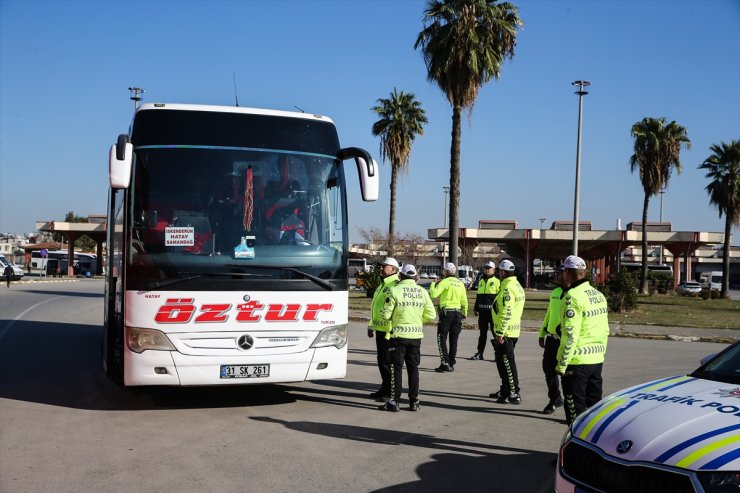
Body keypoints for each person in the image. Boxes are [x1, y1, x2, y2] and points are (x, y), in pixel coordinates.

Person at [556, 255, 610, 425]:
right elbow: (604, 329)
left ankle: (575, 449)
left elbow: (570, 335)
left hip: (577, 362)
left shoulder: (572, 297)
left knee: (575, 415)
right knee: (594, 410)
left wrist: (562, 364)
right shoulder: (598, 295)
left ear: (567, 273)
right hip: (596, 360)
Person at [378, 263, 436, 412]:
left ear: (401, 276)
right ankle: (414, 401)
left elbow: (385, 314)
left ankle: (394, 401)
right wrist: (417, 320)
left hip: (398, 335)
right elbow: (431, 315)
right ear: (414, 276)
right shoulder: (422, 291)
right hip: (416, 335)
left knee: (396, 368)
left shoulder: (394, 290)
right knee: (413, 368)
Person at [490, 259, 525, 404]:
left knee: (507, 363)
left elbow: (507, 311)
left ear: (503, 272)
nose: (498, 273)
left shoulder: (507, 288)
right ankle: (505, 390)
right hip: (512, 330)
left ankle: (513, 393)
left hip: (506, 333)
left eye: (499, 271)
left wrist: (500, 333)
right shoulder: (516, 285)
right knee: (503, 362)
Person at [367, 257, 400, 402]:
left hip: (390, 331)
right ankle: (384, 387)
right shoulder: (382, 284)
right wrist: (371, 325)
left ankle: (390, 391)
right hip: (380, 329)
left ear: (393, 269)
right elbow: (376, 307)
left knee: (388, 363)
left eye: (384, 266)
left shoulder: (395, 284)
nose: (381, 268)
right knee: (382, 361)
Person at [428, 262, 468, 372]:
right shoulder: (460, 283)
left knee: (441, 337)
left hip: (447, 313)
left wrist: (433, 283)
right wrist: (464, 312)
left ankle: (444, 362)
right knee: (454, 339)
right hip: (458, 313)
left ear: (446, 272)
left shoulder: (445, 282)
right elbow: (464, 300)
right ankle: (451, 362)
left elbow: (434, 294)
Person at [539, 265, 565, 414]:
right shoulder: (555, 292)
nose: (557, 276)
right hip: (552, 339)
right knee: (548, 369)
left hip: (566, 340)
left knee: (567, 374)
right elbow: (549, 314)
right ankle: (555, 398)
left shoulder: (573, 294)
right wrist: (542, 333)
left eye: (559, 273)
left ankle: (572, 409)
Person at [471, 261, 500, 360]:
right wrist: (476, 308)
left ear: (494, 270)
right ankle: (480, 353)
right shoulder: (481, 281)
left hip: (493, 313)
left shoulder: (497, 282)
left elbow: (499, 299)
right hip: (482, 313)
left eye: (489, 268)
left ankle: (498, 354)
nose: (487, 270)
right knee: (482, 334)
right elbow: (478, 296)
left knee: (495, 333)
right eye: (485, 268)